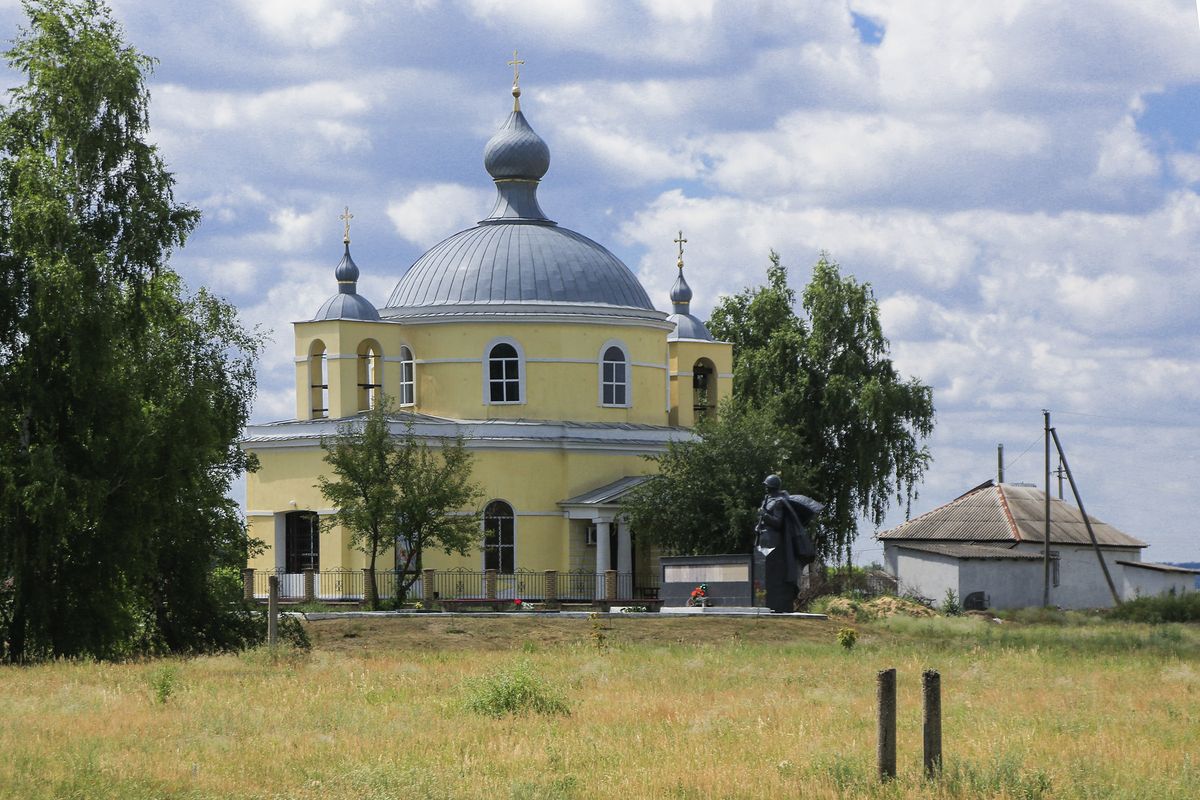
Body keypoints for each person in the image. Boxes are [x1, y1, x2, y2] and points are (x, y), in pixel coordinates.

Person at [755, 474, 823, 613]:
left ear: (771, 486)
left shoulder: (779, 502)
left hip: (773, 541)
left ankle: (776, 604)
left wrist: (764, 515)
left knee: (773, 574)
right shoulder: (767, 500)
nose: (765, 488)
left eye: (767, 485)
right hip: (764, 538)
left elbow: (778, 523)